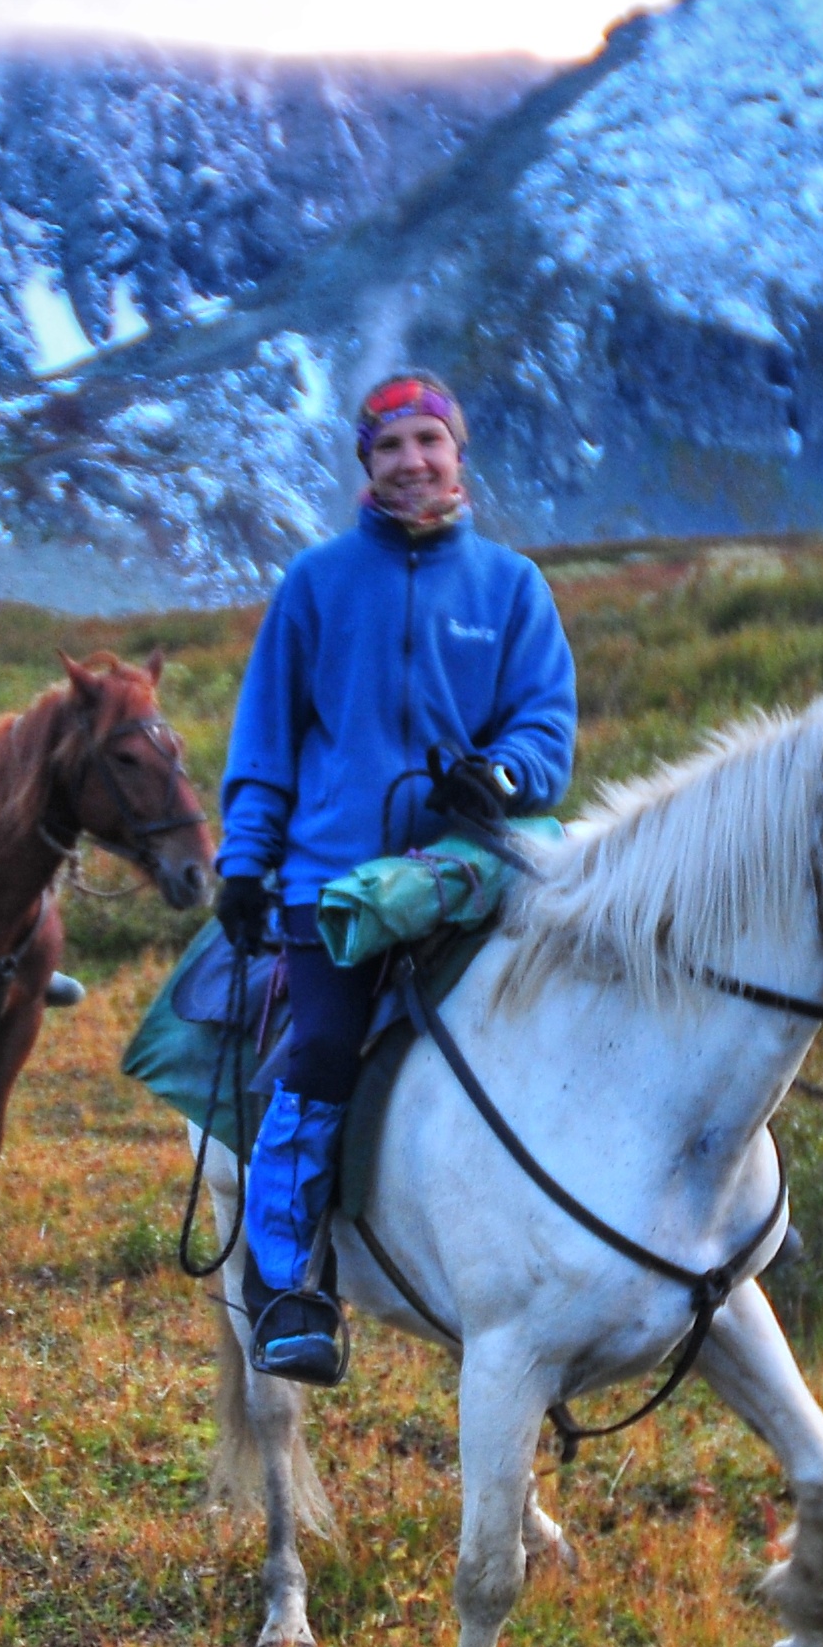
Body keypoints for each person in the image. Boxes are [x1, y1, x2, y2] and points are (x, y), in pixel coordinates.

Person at [217, 374, 577, 1384]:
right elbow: (265, 741)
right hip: (332, 883)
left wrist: (505, 773)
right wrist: (246, 864)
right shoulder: (315, 585)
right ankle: (289, 1286)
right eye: (390, 448)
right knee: (325, 1046)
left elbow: (545, 726)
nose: (412, 461)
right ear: (365, 467)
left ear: (458, 455)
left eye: (430, 441)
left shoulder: (511, 588)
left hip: (469, 866)